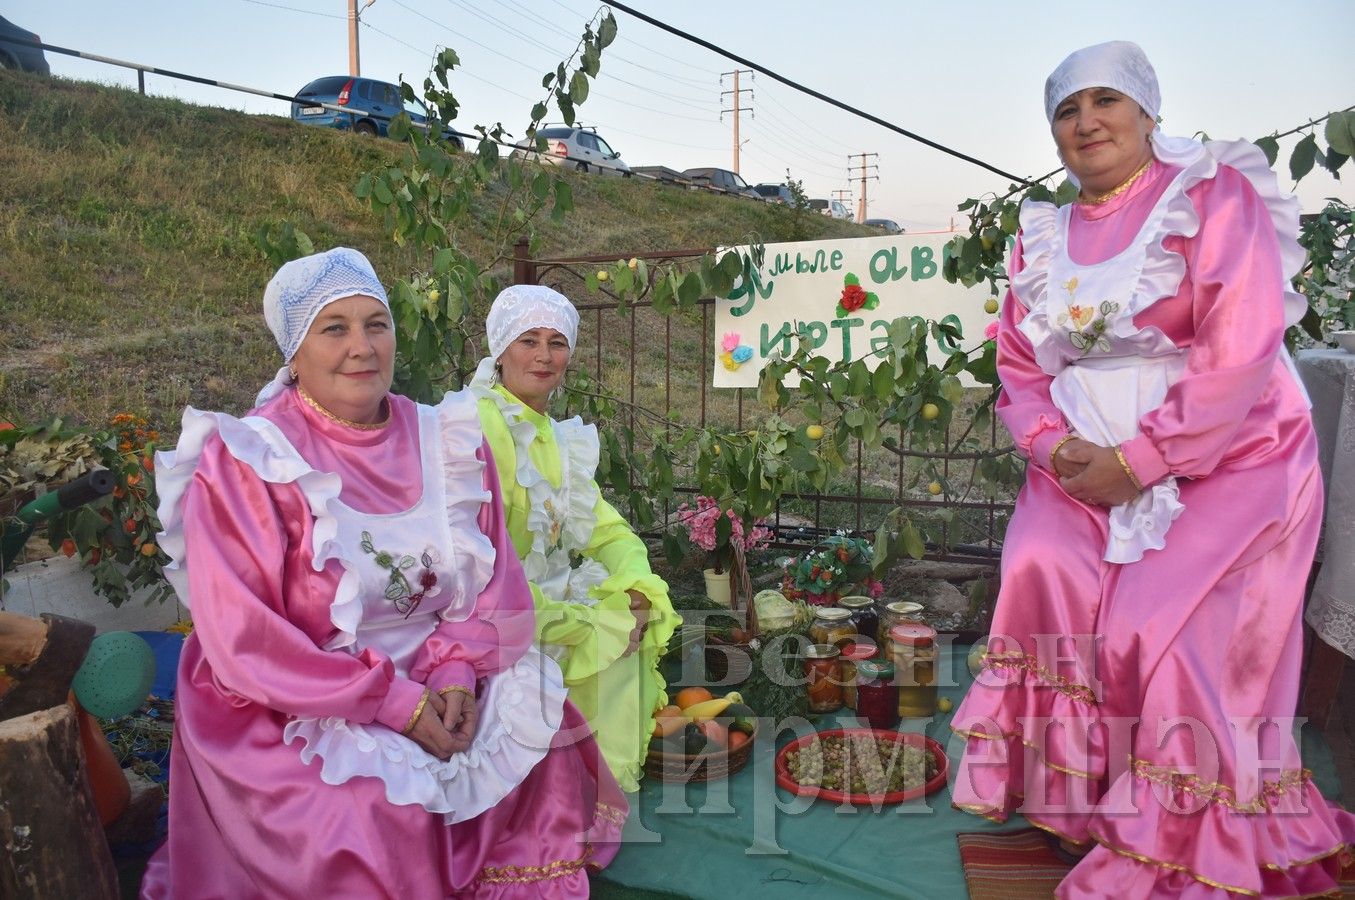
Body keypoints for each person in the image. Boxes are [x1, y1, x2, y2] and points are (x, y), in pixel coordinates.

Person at [951, 42, 1355, 897]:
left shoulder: (1210, 195)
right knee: (1040, 570)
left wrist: (1139, 461)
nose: (1086, 122)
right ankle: (1075, 802)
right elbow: (1018, 368)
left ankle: (1180, 842)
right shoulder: (1041, 236)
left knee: (1153, 626)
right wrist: (1055, 451)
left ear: (1146, 111)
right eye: (1065, 109)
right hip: (1080, 458)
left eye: (1105, 101)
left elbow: (1240, 347)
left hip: (1230, 451)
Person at [141, 248, 626, 899]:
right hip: (292, 697)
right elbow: (246, 640)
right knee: (371, 811)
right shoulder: (250, 459)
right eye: (333, 328)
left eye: (376, 323)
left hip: (434, 668)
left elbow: (493, 583)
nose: (362, 347)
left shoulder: (443, 438)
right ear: (293, 350)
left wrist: (455, 671)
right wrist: (397, 704)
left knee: (539, 722)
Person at [469, 285, 681, 793]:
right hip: (492, 609)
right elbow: (480, 563)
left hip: (543, 597)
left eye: (557, 342)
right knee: (602, 638)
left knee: (622, 629)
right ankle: (567, 800)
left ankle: (598, 793)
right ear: (500, 348)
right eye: (528, 340)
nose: (544, 356)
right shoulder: (477, 425)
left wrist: (635, 587)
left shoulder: (559, 437)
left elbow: (605, 527)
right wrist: (584, 623)